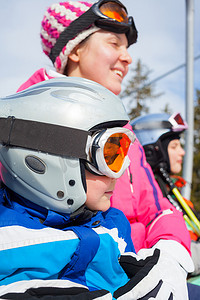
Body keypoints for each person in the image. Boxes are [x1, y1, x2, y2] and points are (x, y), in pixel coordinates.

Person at [16, 0, 196, 298]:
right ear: (74, 49)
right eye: (114, 43)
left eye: (127, 48)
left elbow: (158, 211)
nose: (127, 59)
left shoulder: (125, 136)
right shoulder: (23, 124)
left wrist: (171, 252)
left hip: (136, 275)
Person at [0, 77, 188, 300]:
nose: (119, 172)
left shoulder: (112, 223)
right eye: (109, 156)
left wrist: (167, 263)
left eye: (123, 154)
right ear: (51, 162)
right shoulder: (12, 239)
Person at [131, 112, 200, 286]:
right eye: (174, 146)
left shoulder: (176, 196)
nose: (182, 152)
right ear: (154, 150)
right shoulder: (144, 201)